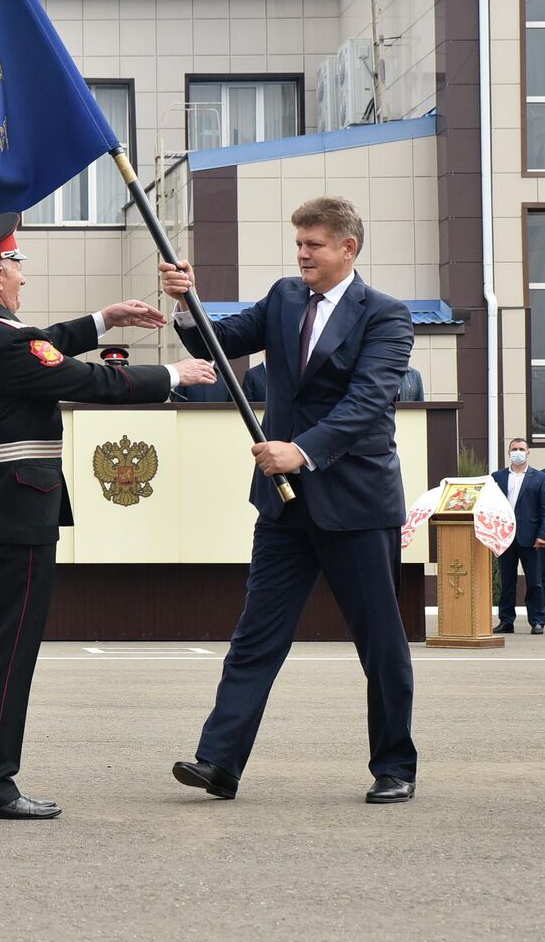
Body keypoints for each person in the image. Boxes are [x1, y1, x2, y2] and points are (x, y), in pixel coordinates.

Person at [0, 212, 213, 820]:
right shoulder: (4, 342)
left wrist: (104, 320)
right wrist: (172, 374)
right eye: (17, 268)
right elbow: (86, 379)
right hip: (17, 511)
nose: (23, 279)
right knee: (8, 652)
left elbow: (44, 346)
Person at [160, 195, 418, 805]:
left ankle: (395, 766)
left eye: (314, 245)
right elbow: (218, 347)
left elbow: (368, 404)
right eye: (298, 244)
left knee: (378, 639)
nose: (301, 255)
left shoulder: (385, 315)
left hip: (354, 503)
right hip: (283, 505)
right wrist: (185, 302)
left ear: (347, 249)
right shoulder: (282, 298)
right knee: (256, 635)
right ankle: (218, 762)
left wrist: (300, 451)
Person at [491, 437, 545, 634]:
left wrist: (543, 535)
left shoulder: (540, 478)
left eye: (521, 449)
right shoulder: (497, 477)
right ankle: (506, 620)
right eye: (514, 449)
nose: (517, 452)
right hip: (505, 537)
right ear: (509, 453)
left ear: (527, 453)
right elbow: (491, 506)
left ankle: (537, 620)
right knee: (507, 581)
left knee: (535, 581)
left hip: (532, 537)